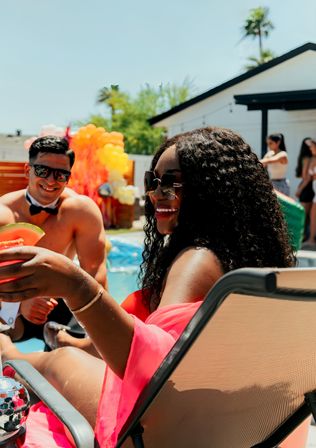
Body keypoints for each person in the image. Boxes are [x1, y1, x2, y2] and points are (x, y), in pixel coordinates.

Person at [0, 127, 296, 447]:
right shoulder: (248, 259)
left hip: (158, 432)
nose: (155, 193)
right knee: (78, 350)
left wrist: (75, 286)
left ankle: (8, 352)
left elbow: (155, 371)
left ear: (210, 189)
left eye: (170, 182)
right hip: (236, 426)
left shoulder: (196, 261)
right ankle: (61, 339)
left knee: (60, 363)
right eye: (152, 182)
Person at [0, 135, 107, 343]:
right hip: (10, 302)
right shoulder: (3, 213)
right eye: (42, 171)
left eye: (60, 175)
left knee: (88, 348)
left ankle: (62, 341)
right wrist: (19, 304)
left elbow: (96, 276)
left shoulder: (81, 211)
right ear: (27, 171)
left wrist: (102, 330)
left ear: (68, 178)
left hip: (64, 301)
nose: (50, 181)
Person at [295, 137, 313, 240]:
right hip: (308, 187)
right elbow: (306, 178)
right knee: (306, 216)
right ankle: (304, 237)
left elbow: (306, 177)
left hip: (306, 187)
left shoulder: (305, 158)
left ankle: (302, 237)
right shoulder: (308, 158)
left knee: (303, 215)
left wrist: (299, 189)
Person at [301, 139, 316, 248]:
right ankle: (311, 239)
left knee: (312, 214)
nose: (310, 149)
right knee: (312, 215)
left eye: (312, 146)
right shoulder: (313, 159)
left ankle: (311, 239)